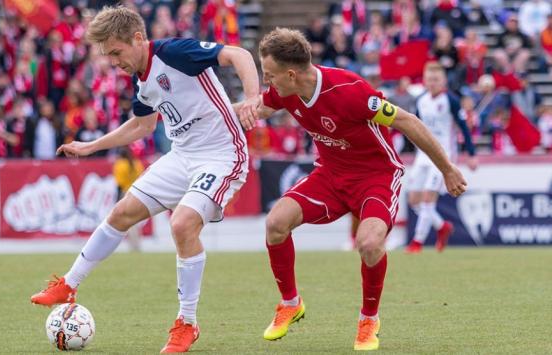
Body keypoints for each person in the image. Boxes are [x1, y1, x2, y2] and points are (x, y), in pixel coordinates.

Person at [30, 6, 260, 354]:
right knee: (121, 213)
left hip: (221, 154)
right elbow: (142, 126)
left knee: (182, 225)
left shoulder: (174, 53)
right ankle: (69, 284)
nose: (114, 62)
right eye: (108, 56)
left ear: (138, 39)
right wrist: (91, 146)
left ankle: (187, 324)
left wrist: (252, 96)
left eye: (117, 53)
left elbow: (239, 54)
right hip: (182, 157)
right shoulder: (142, 79)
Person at [235, 28, 468, 351]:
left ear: (290, 73)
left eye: (270, 75)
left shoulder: (351, 90)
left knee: (369, 243)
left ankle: (368, 319)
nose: (267, 81)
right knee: (275, 223)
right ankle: (290, 303)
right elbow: (255, 108)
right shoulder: (285, 90)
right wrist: (207, 114)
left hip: (376, 176)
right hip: (330, 175)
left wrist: (447, 169)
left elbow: (408, 121)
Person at [406, 62, 477, 254]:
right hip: (423, 155)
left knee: (428, 198)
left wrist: (471, 154)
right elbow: (414, 128)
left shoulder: (451, 101)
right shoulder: (421, 100)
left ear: (443, 81)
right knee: (413, 200)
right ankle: (442, 227)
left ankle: (417, 243)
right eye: (429, 79)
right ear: (424, 80)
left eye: (436, 79)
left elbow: (463, 128)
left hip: (443, 156)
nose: (432, 83)